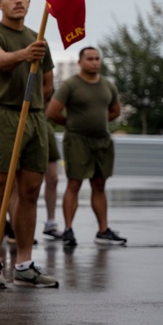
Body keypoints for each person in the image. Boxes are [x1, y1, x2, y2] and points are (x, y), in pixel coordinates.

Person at [0, 0, 57, 288]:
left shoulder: (38, 37)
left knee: (31, 191)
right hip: (3, 117)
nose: (19, 0)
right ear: (0, 3)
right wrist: (25, 54)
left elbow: (48, 84)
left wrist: (33, 56)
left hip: (34, 117)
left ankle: (24, 263)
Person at [45, 47, 126, 247]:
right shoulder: (70, 85)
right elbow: (52, 111)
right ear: (80, 62)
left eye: (97, 58)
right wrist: (73, 123)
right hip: (77, 140)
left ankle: (103, 230)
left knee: (99, 184)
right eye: (90, 59)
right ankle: (68, 230)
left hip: (102, 140)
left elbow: (115, 110)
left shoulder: (107, 85)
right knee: (74, 183)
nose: (94, 62)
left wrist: (97, 121)